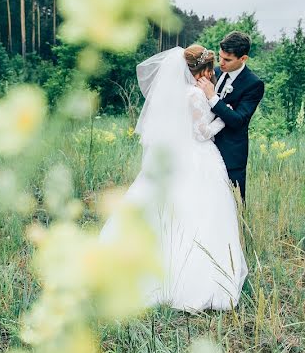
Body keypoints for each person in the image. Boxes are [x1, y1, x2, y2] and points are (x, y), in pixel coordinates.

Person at [99, 44, 248, 312]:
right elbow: (202, 133)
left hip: (170, 159)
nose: (212, 73)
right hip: (197, 158)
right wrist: (222, 118)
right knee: (200, 214)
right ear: (201, 69)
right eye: (209, 69)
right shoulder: (193, 93)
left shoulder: (167, 93)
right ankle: (190, 279)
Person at [195, 31, 265, 203]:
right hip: (203, 149)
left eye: (227, 59)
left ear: (243, 59)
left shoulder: (253, 84)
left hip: (231, 153)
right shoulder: (214, 72)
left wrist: (212, 97)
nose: (221, 63)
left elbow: (238, 121)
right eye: (220, 57)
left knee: (233, 205)